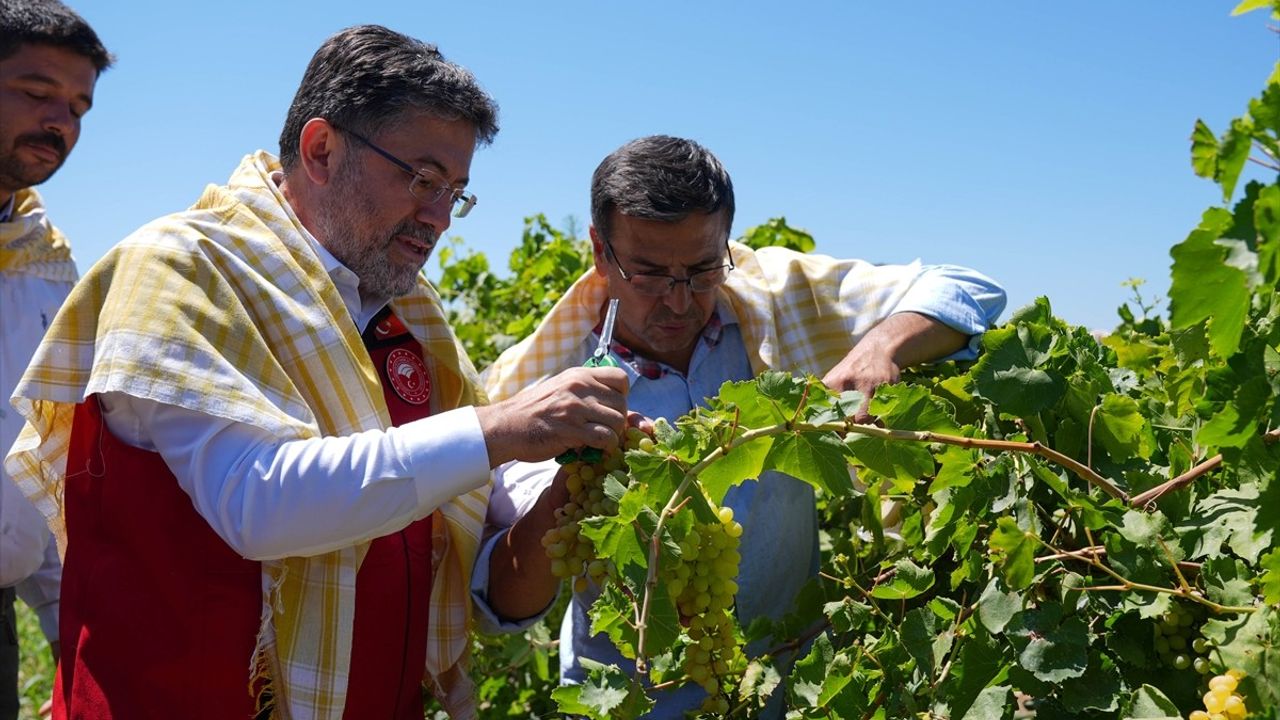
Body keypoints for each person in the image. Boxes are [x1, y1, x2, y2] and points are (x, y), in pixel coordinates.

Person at [4, 25, 630, 720]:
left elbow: (458, 523)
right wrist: (499, 428)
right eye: (422, 179)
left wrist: (568, 472)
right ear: (322, 150)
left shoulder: (406, 317)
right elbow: (255, 502)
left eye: (456, 191)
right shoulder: (183, 271)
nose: (440, 217)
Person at [473, 135, 1007, 717]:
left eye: (702, 269)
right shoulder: (538, 381)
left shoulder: (774, 297)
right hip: (633, 704)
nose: (679, 302)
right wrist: (572, 480)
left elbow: (968, 287)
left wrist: (880, 347)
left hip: (793, 685)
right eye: (650, 275)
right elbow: (504, 603)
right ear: (602, 252)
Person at [0, 2, 111, 718]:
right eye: (37, 94)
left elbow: (40, 466)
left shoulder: (48, 265)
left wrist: (77, 655)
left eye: (77, 107)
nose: (60, 122)